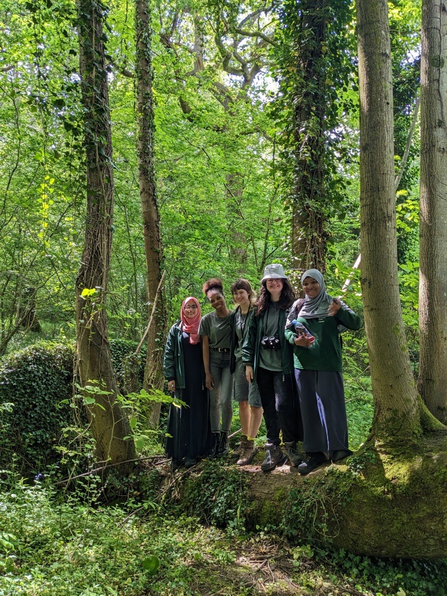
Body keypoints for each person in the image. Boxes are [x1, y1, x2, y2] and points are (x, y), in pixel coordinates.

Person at [285, 268, 361, 475]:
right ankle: (315, 454)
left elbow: (357, 323)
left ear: (321, 283)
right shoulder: (298, 306)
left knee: (332, 406)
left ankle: (338, 450)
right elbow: (286, 330)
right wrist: (296, 341)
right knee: (308, 410)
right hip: (303, 365)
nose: (310, 287)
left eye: (313, 283)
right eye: (306, 284)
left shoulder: (333, 303)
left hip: (328, 363)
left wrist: (340, 312)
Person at [242, 263, 302, 472]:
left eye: (277, 279)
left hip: (283, 366)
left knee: (284, 407)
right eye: (270, 280)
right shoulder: (258, 309)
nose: (274, 283)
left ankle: (291, 447)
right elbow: (249, 338)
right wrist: (248, 364)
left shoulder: (292, 307)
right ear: (265, 284)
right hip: (263, 367)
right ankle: (272, 447)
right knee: (268, 407)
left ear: (283, 282)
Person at [163, 296, 213, 469]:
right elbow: (169, 354)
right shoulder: (176, 329)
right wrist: (170, 377)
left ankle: (193, 454)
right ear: (183, 309)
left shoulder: (204, 327)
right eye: (187, 307)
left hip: (199, 381)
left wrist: (209, 375)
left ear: (198, 309)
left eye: (193, 306)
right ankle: (177, 455)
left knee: (197, 416)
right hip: (181, 381)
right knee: (180, 417)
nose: (190, 310)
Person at [230, 279, 263, 465]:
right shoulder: (236, 314)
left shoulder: (256, 311)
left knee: (255, 402)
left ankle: (251, 443)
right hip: (239, 361)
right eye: (235, 293)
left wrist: (252, 361)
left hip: (255, 362)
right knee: (242, 401)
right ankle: (244, 441)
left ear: (248, 292)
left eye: (241, 292)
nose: (238, 296)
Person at [199, 278, 233, 457]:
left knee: (226, 400)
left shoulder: (235, 317)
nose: (216, 303)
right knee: (215, 401)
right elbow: (204, 346)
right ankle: (214, 440)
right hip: (213, 360)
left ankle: (224, 439)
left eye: (218, 298)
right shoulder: (206, 320)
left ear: (223, 296)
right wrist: (206, 372)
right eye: (212, 301)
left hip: (230, 361)